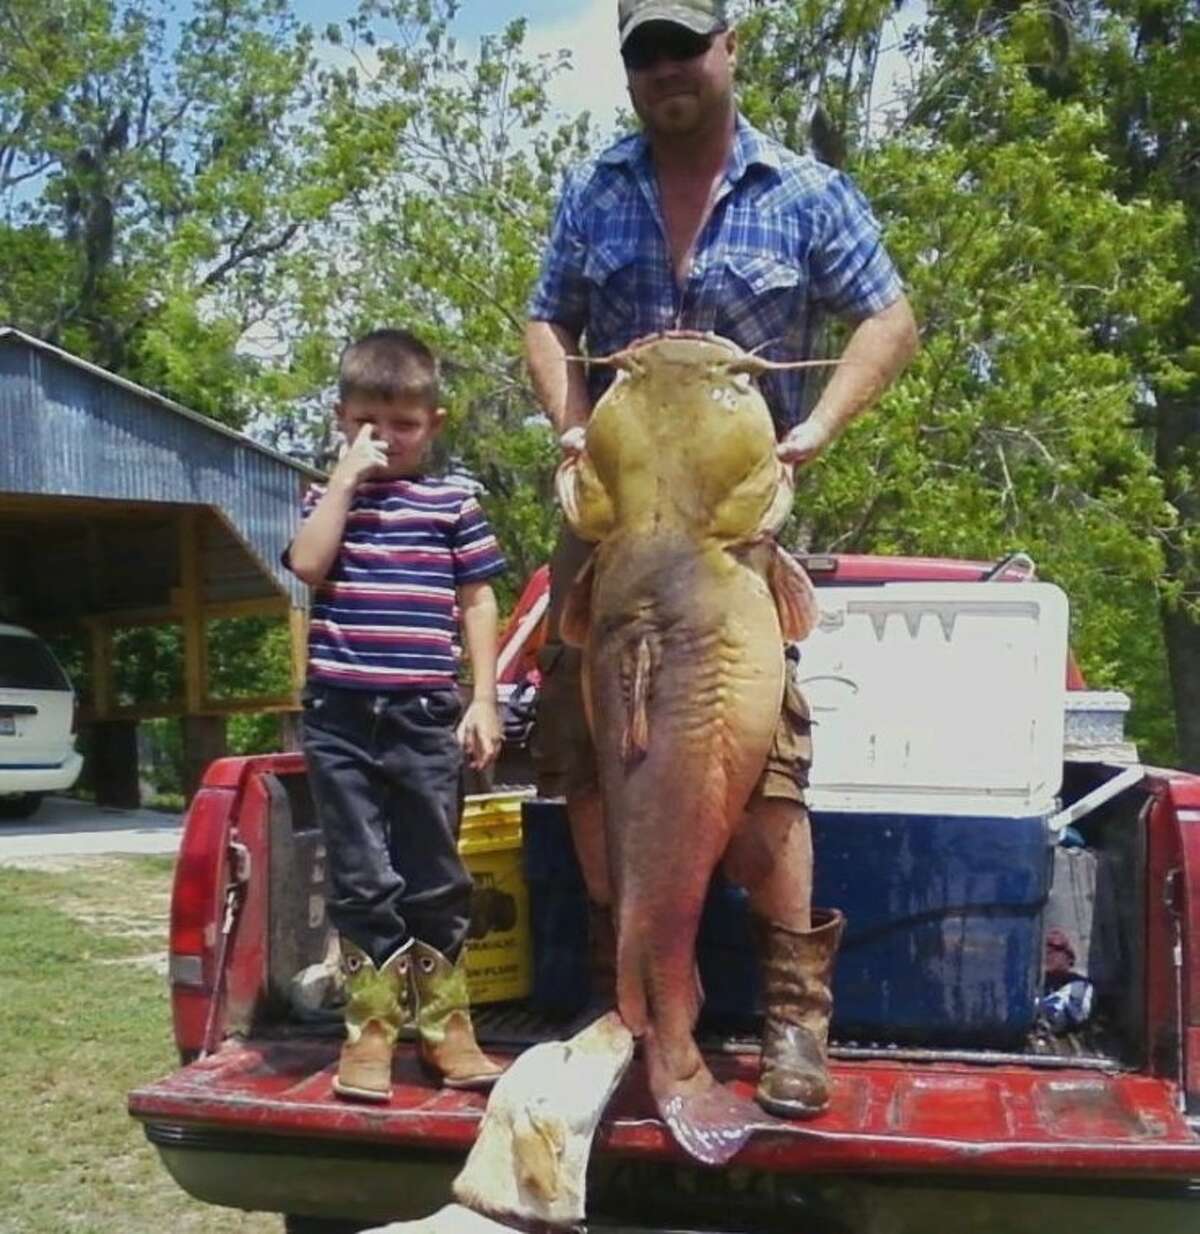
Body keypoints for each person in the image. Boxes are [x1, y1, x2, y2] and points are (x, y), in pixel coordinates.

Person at [523, 0, 919, 1120]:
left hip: (733, 548)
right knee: (595, 768)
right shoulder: (595, 185)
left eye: (683, 46)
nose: (664, 71)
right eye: (642, 52)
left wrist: (818, 427)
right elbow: (544, 321)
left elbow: (887, 318)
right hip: (610, 536)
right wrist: (568, 418)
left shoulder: (802, 190)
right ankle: (642, 1007)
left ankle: (796, 1013)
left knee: (770, 776)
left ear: (730, 48)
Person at [285, 328, 507, 1102]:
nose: (386, 438)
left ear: (433, 423)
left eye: (404, 424)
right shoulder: (326, 499)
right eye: (367, 423)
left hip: (423, 714)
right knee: (361, 877)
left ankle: (447, 1030)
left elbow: (478, 599)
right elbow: (308, 566)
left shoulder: (453, 504)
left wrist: (481, 698)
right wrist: (345, 480)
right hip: (340, 714)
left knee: (434, 875)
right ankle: (370, 1033)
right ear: (341, 418)